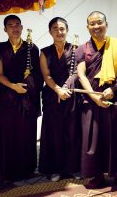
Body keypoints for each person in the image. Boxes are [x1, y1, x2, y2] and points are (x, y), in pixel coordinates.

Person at [76, 11, 117, 188]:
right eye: (92, 24)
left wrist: (113, 88)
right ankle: (95, 175)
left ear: (106, 24)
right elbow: (81, 74)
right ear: (87, 27)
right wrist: (94, 96)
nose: (96, 26)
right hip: (92, 98)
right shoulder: (83, 49)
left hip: (115, 97)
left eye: (99, 22)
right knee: (93, 139)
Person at [0, 15, 43, 181]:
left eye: (17, 25)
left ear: (22, 28)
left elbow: (38, 75)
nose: (14, 28)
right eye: (10, 25)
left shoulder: (32, 48)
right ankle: (7, 168)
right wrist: (13, 86)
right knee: (7, 132)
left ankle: (27, 168)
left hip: (27, 97)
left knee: (26, 132)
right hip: (8, 95)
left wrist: (31, 92)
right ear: (5, 29)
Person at [38, 17, 82, 182]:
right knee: (54, 134)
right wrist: (57, 89)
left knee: (72, 133)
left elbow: (78, 72)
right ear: (50, 32)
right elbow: (46, 75)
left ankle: (73, 168)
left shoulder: (76, 49)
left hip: (71, 95)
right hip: (52, 96)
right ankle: (54, 169)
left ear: (67, 30)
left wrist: (65, 88)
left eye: (62, 28)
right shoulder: (45, 52)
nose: (59, 31)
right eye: (55, 28)